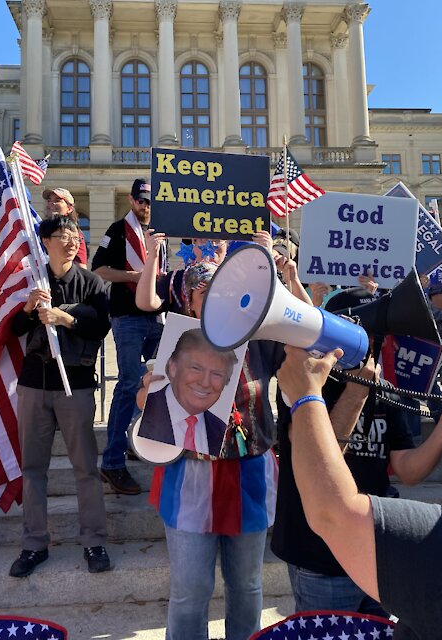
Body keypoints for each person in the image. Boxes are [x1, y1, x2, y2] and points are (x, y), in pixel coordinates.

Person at [134, 233, 296, 640]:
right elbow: (147, 401)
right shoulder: (175, 341)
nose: (214, 298)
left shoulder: (260, 339)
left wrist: (284, 279)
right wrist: (147, 395)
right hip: (190, 476)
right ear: (189, 299)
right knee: (189, 593)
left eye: (224, 291)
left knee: (248, 586)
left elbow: (307, 344)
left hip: (249, 475)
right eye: (205, 291)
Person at [271, 288, 442, 621]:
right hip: (320, 558)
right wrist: (357, 392)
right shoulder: (303, 384)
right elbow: (324, 458)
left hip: (380, 555)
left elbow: (406, 469)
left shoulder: (383, 388)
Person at [7, 216, 114, 577]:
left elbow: (102, 325)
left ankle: (94, 541)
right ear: (45, 242)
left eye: (74, 235)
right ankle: (34, 544)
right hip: (34, 384)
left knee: (86, 468)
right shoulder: (32, 281)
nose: (70, 241)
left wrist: (64, 317)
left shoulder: (92, 282)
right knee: (33, 469)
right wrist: (29, 309)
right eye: (61, 236)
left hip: (76, 385)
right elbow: (14, 330)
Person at [89, 178, 169, 495]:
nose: (145, 206)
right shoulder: (116, 230)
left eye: (150, 201)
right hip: (127, 318)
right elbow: (98, 270)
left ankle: (135, 440)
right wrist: (135, 276)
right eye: (141, 201)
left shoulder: (159, 234)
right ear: (132, 201)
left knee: (156, 383)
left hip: (157, 316)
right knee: (128, 384)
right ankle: (112, 461)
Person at [139, 328, 236, 457]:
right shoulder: (151, 408)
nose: (205, 383)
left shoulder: (218, 428)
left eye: (217, 374)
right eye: (195, 368)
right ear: (173, 367)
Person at [43, 187, 88, 266]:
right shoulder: (38, 230)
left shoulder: (75, 234)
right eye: (49, 200)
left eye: (57, 200)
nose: (51, 203)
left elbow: (81, 267)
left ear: (69, 208)